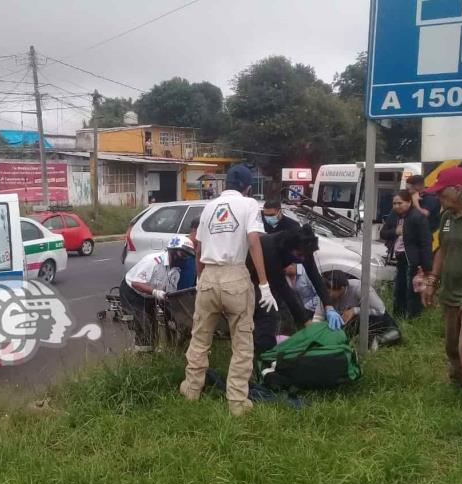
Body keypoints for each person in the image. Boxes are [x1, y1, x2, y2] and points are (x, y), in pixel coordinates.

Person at [179, 164, 276, 417]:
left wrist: (200, 279)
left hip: (209, 277)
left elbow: (198, 248)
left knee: (200, 339)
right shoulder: (249, 205)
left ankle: (191, 389)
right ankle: (236, 401)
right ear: (247, 187)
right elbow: (254, 242)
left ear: (225, 185)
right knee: (242, 343)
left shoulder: (209, 207)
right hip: (235, 276)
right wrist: (264, 284)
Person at [246, 225, 342, 354]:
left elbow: (314, 275)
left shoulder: (303, 248)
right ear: (289, 248)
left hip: (270, 281)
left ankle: (276, 343)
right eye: (299, 255)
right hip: (250, 279)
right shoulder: (271, 248)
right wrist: (306, 322)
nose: (302, 259)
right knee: (266, 315)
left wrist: (328, 305)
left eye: (305, 256)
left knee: (279, 312)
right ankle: (262, 355)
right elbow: (282, 287)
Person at [422, 167, 462, 387]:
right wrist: (432, 281)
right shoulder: (446, 217)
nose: (438, 197)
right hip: (450, 292)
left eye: (442, 192)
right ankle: (458, 383)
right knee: (451, 346)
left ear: (458, 189)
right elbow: (442, 250)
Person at [120, 236, 196, 351]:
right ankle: (143, 356)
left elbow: (169, 294)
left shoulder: (176, 270)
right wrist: (155, 292)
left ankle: (169, 349)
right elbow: (136, 283)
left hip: (152, 295)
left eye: (187, 256)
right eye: (183, 255)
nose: (185, 259)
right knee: (144, 324)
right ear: (173, 251)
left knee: (162, 323)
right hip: (133, 293)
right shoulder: (153, 261)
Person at [380, 190, 433, 318]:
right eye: (394, 203)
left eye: (400, 203)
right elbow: (383, 233)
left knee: (412, 291)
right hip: (399, 257)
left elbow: (426, 241)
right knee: (399, 290)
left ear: (409, 202)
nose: (397, 206)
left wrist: (427, 267)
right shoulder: (394, 215)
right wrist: (395, 231)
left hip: (413, 260)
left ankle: (413, 319)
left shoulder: (417, 217)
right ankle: (398, 317)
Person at [314, 270, 401, 347]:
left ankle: (377, 339)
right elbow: (318, 316)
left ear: (342, 288)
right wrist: (314, 331)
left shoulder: (359, 288)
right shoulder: (325, 294)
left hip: (372, 318)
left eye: (330, 291)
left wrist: (354, 310)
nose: (328, 295)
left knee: (394, 334)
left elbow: (381, 310)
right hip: (345, 325)